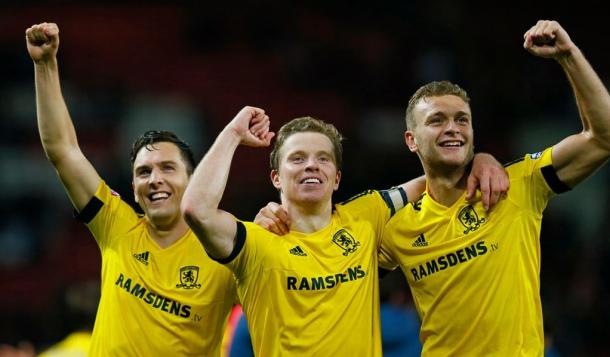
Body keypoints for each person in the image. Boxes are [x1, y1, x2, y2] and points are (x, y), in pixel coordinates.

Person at [181, 106, 507, 355]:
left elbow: (436, 180)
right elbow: (196, 209)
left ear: (336, 178)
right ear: (276, 178)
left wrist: (481, 160)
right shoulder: (254, 242)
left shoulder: (367, 216)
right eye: (297, 158)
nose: (311, 165)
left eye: (323, 158)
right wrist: (233, 133)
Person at [378, 20, 610, 355]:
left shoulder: (519, 184)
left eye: (462, 119)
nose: (453, 128)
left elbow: (602, 138)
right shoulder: (397, 229)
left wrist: (570, 56)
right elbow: (332, 264)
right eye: (437, 120)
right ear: (411, 141)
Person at [26, 22, 237, 356]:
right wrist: (45, 65)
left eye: (168, 168)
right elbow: (62, 150)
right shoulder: (117, 226)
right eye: (143, 172)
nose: (154, 179)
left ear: (193, 180)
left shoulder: (228, 249)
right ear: (134, 187)